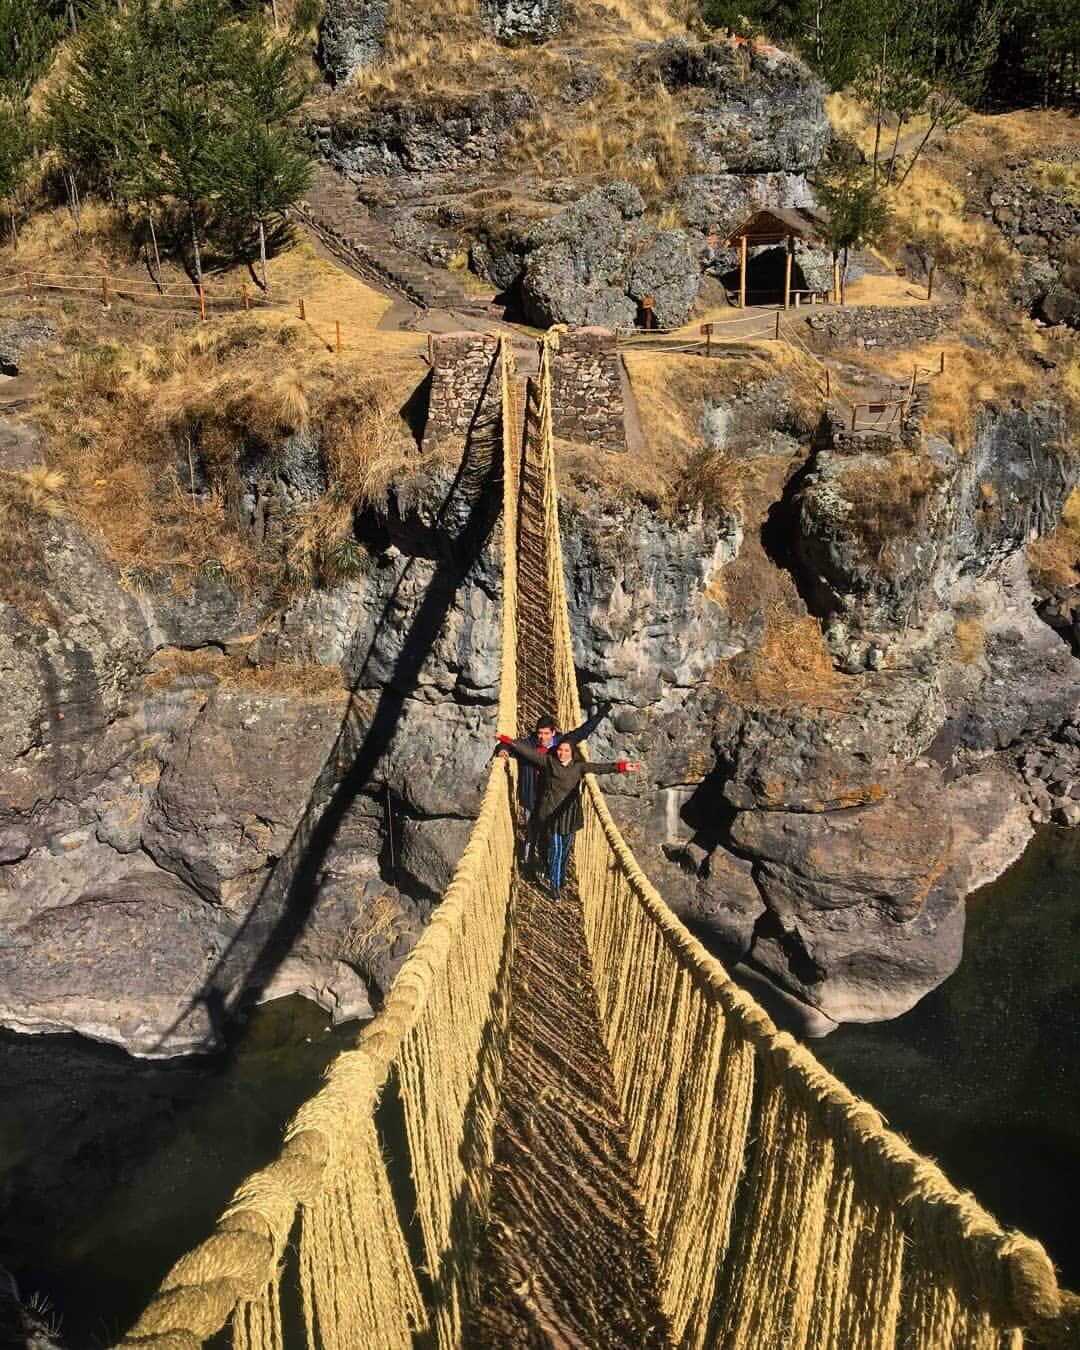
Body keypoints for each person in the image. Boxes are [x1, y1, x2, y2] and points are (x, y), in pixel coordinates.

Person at [496, 735, 640, 898]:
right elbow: (530, 753)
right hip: (552, 815)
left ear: (572, 753)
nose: (562, 753)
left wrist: (623, 766)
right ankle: (555, 888)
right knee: (556, 852)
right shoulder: (550, 762)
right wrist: (508, 741)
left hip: (570, 814)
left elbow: (600, 768)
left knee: (565, 851)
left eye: (566, 751)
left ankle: (560, 878)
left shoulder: (578, 767)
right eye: (560, 750)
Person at [510, 703, 612, 869]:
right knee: (531, 833)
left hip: (553, 797)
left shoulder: (562, 745)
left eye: (546, 734)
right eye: (539, 733)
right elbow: (510, 744)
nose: (542, 737)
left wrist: (601, 714)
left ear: (553, 733)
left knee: (550, 834)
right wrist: (503, 749)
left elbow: (583, 731)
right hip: (532, 795)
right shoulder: (528, 744)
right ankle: (529, 866)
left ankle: (547, 864)